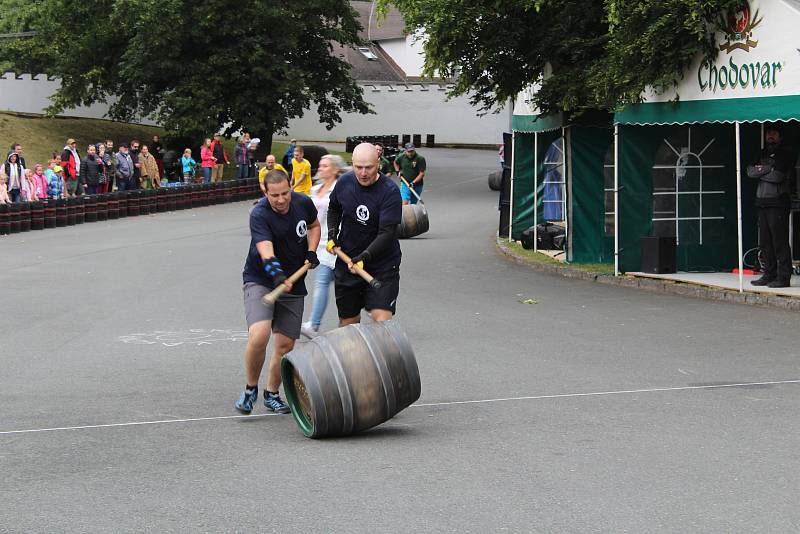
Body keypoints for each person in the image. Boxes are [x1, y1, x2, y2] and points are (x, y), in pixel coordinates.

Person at [234, 169, 321, 414]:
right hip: (261, 279)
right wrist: (279, 276)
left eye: (285, 193)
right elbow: (265, 251)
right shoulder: (259, 214)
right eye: (275, 196)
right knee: (260, 335)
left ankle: (272, 393)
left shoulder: (303, 203)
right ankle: (250, 389)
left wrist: (312, 251)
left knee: (285, 345)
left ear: (290, 186)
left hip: (294, 280)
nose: (281, 200)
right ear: (265, 192)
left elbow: (314, 226)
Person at [326, 142, 402, 326]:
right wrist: (332, 234)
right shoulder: (344, 183)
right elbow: (334, 208)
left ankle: (383, 354)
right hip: (348, 263)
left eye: (369, 167)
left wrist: (364, 257)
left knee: (382, 321)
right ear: (352, 164)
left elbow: (387, 232)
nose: (363, 173)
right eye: (358, 167)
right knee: (348, 324)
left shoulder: (389, 192)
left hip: (382, 265)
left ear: (378, 164)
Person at [300, 154, 348, 338]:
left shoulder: (341, 189)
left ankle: (314, 324)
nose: (321, 168)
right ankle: (367, 306)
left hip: (333, 244)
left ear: (335, 169)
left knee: (321, 281)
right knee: (343, 283)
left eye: (326, 166)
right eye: (320, 165)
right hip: (317, 243)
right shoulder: (315, 189)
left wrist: (338, 238)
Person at [747, 125, 796, 288]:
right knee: (765, 242)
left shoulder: (786, 153)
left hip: (778, 202)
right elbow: (749, 171)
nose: (770, 136)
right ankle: (769, 274)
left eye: (774, 134)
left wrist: (761, 170)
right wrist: (767, 169)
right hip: (761, 202)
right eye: (769, 133)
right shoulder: (762, 152)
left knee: (779, 241)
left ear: (780, 137)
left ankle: (783, 277)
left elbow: (777, 176)